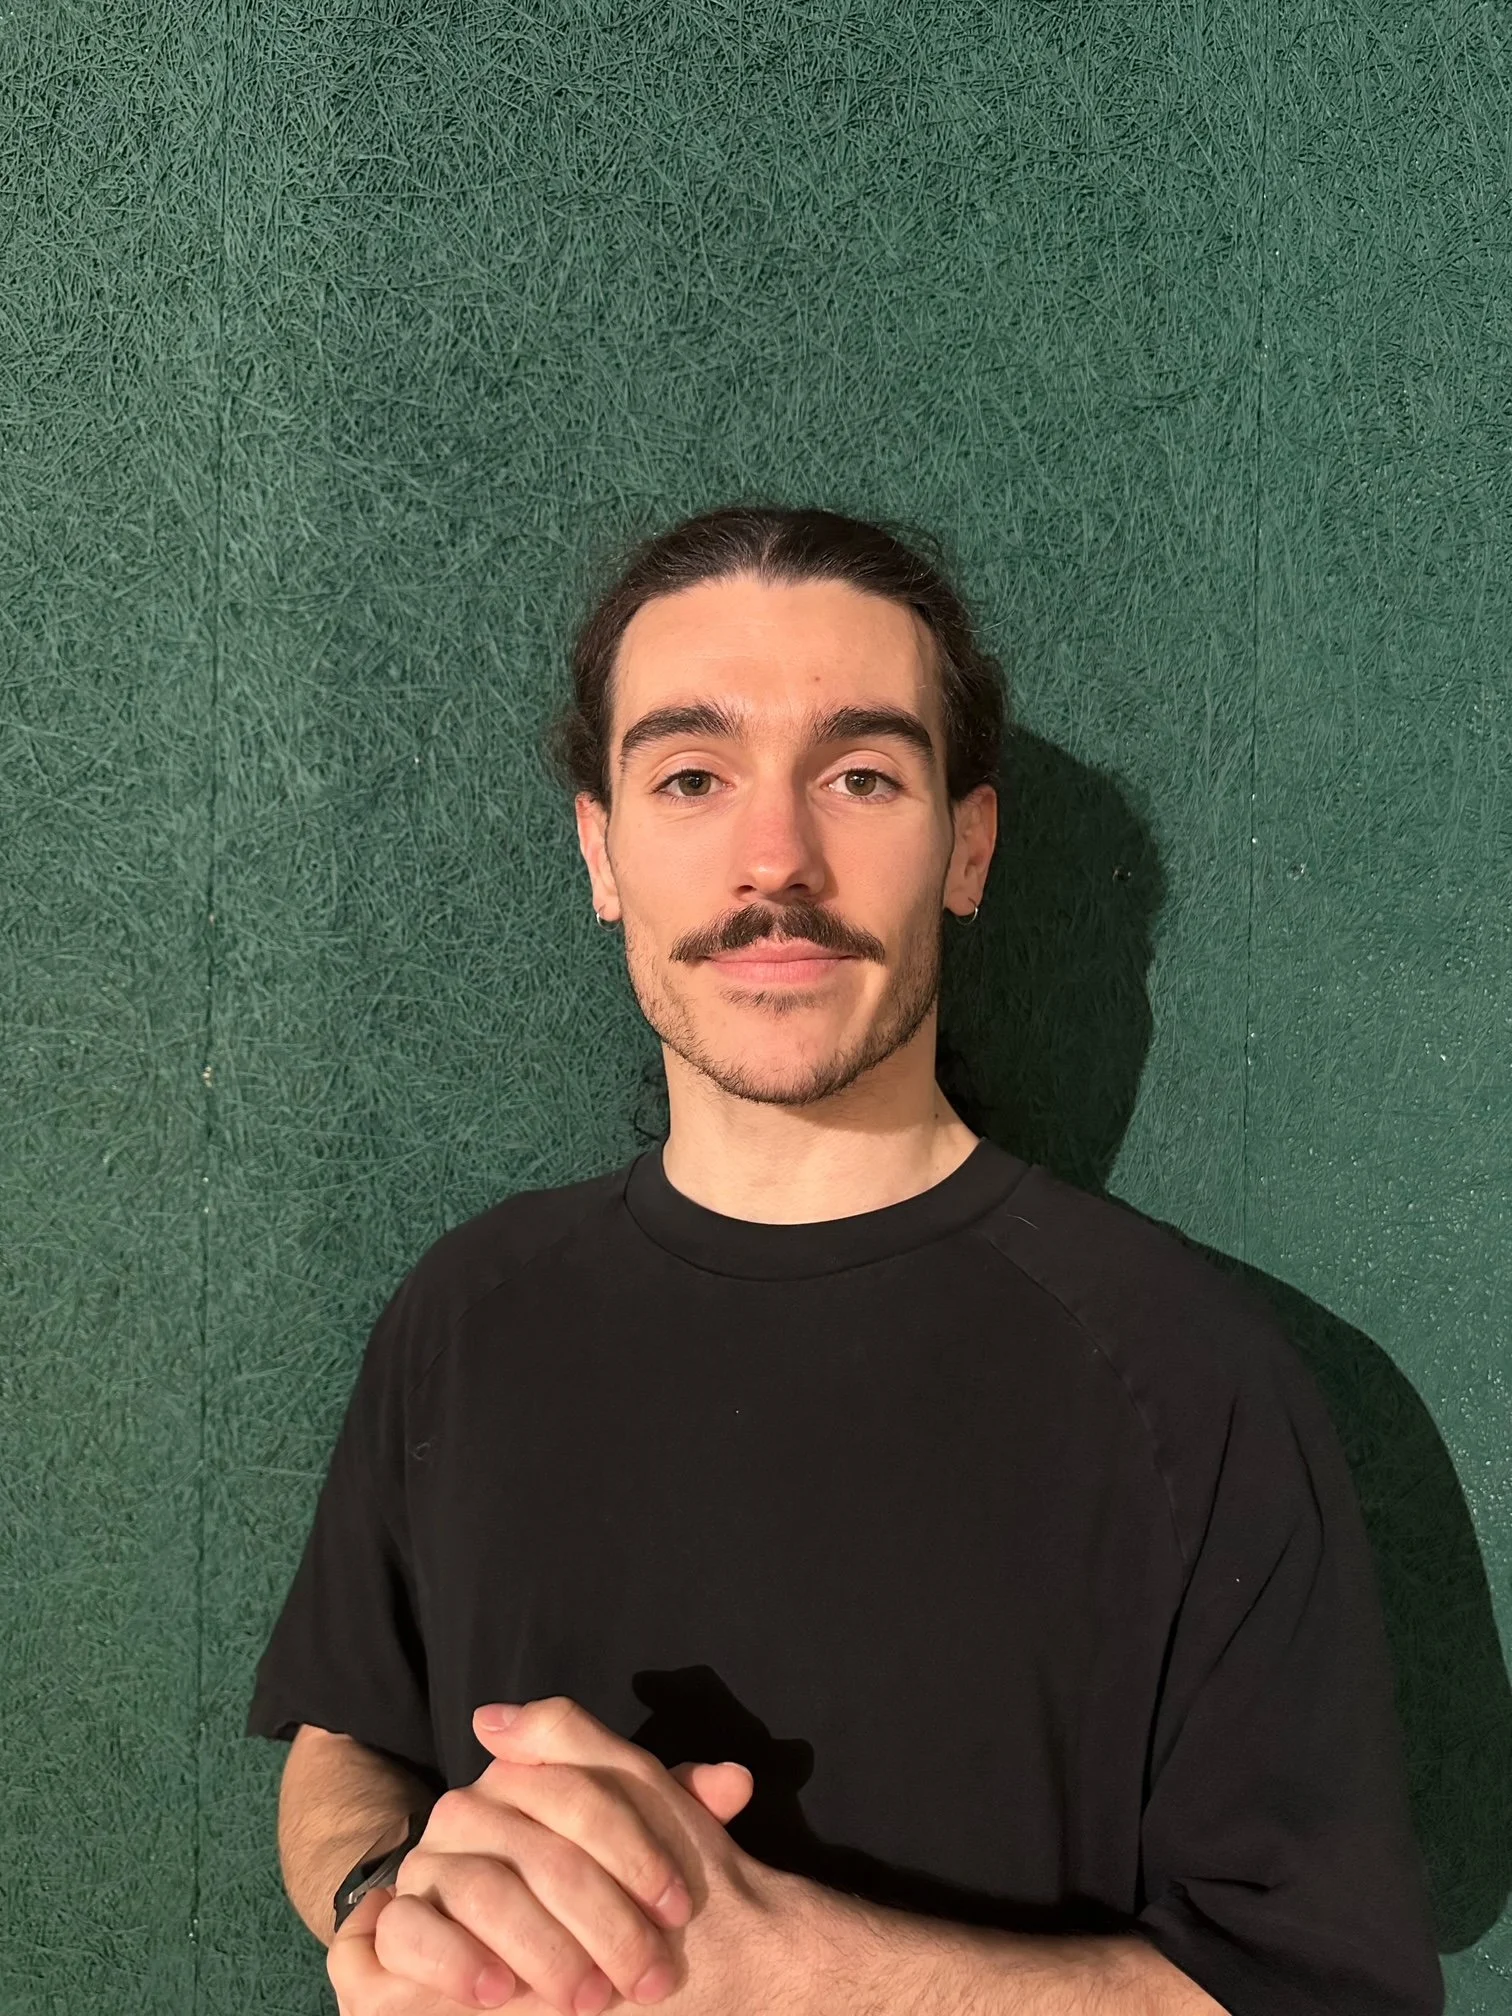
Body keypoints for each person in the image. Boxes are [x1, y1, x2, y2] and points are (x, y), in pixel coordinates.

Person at [247, 504, 1444, 2016]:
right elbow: (347, 1732)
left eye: (861, 775)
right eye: (691, 777)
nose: (777, 859)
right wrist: (382, 1903)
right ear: (601, 852)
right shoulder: (465, 1311)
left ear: (968, 847)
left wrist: (787, 1970)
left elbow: (1325, 1990)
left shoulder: (1192, 1376)